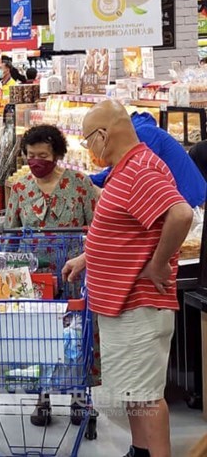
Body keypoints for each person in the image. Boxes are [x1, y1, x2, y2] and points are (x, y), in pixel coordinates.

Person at [64, 99, 193, 457]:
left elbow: (180, 214)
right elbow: (125, 231)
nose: (88, 148)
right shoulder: (126, 167)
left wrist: (159, 263)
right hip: (122, 304)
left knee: (147, 395)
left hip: (138, 303)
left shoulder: (139, 169)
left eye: (88, 139)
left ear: (103, 135)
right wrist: (88, 257)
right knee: (135, 392)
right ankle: (140, 450)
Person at [5, 124, 100, 426]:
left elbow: (97, 229)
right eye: (31, 155)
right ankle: (41, 399)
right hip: (35, 279)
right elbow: (11, 234)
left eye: (43, 155)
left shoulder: (80, 184)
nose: (36, 161)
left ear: (57, 154)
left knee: (77, 335)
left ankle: (79, 398)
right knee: (40, 337)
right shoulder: (20, 188)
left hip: (76, 273)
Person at [91, 112, 206, 208]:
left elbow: (127, 171)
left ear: (104, 134)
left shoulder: (143, 134)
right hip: (184, 202)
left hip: (190, 203)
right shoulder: (140, 133)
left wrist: (85, 181)